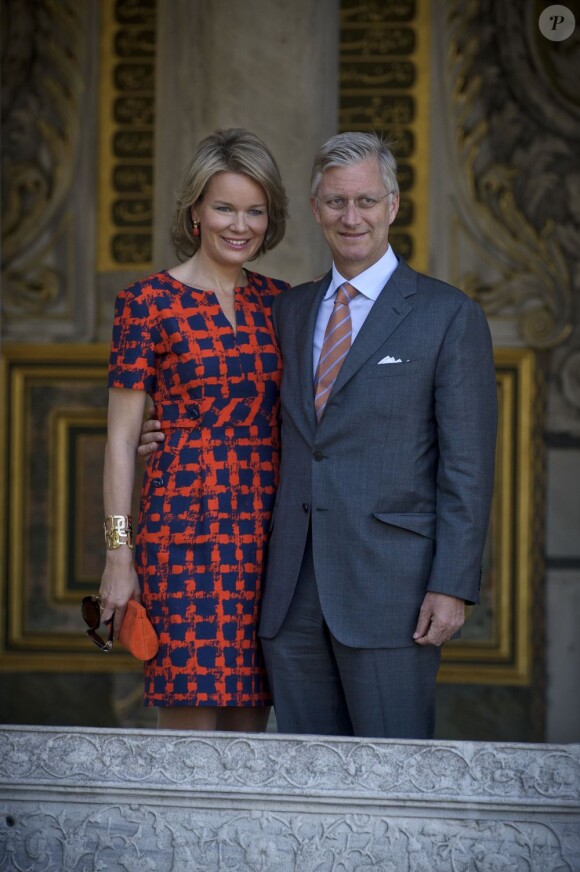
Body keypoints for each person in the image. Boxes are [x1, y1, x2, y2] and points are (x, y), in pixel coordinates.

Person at [140, 131, 498, 740]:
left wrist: (452, 583)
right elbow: (238, 396)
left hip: (393, 593)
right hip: (287, 594)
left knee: (394, 776)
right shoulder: (288, 309)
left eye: (365, 201)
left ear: (393, 205)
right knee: (299, 784)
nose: (350, 217)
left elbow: (467, 464)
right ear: (315, 209)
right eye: (335, 202)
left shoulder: (447, 315)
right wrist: (171, 432)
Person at [100, 127, 289, 732]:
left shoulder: (284, 304)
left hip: (269, 539)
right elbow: (122, 441)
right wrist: (118, 551)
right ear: (195, 212)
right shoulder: (146, 303)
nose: (241, 225)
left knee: (252, 733)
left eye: (255, 210)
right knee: (189, 736)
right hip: (183, 532)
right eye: (225, 207)